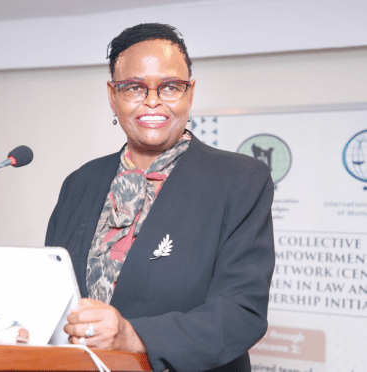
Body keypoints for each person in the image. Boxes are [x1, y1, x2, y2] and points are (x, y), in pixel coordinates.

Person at [45, 23, 275, 372]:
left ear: (189, 93)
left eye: (169, 87)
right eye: (134, 87)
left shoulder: (239, 181)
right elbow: (55, 293)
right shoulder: (80, 182)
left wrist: (133, 335)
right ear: (112, 96)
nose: (152, 101)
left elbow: (242, 312)